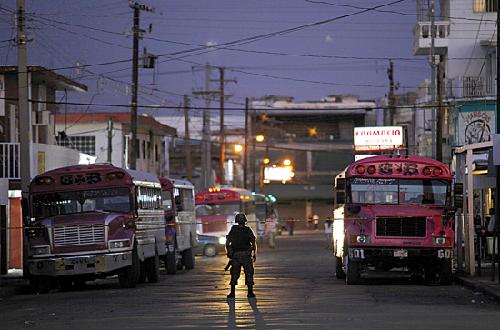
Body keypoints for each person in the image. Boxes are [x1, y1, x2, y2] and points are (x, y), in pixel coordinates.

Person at [225, 213, 257, 298]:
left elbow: (227, 243)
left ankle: (232, 293)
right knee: (249, 273)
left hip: (236, 256)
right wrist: (254, 254)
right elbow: (253, 242)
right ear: (245, 221)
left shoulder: (233, 229)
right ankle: (250, 292)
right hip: (246, 255)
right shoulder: (248, 230)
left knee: (234, 274)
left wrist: (229, 253)